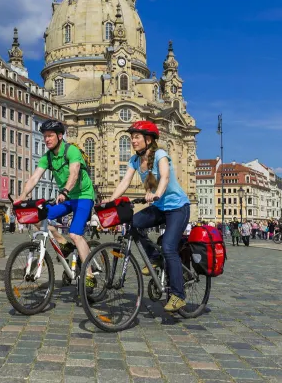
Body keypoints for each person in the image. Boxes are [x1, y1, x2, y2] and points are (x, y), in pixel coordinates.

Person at [101, 121, 191, 313]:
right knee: (133, 223)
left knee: (169, 247)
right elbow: (125, 181)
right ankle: (154, 257)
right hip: (159, 208)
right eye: (132, 137)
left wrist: (157, 193)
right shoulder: (135, 160)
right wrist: (111, 200)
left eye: (136, 137)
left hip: (177, 208)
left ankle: (178, 295)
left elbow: (165, 177)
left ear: (148, 139)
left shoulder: (160, 155)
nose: (133, 140)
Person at [17, 120, 96, 284]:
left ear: (60, 136)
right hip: (66, 198)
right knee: (37, 216)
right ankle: (62, 242)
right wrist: (22, 196)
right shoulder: (48, 157)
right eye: (45, 136)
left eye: (50, 136)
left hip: (83, 196)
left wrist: (65, 190)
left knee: (75, 234)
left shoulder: (71, 150)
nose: (47, 139)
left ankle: (89, 274)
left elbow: (74, 173)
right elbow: (34, 177)